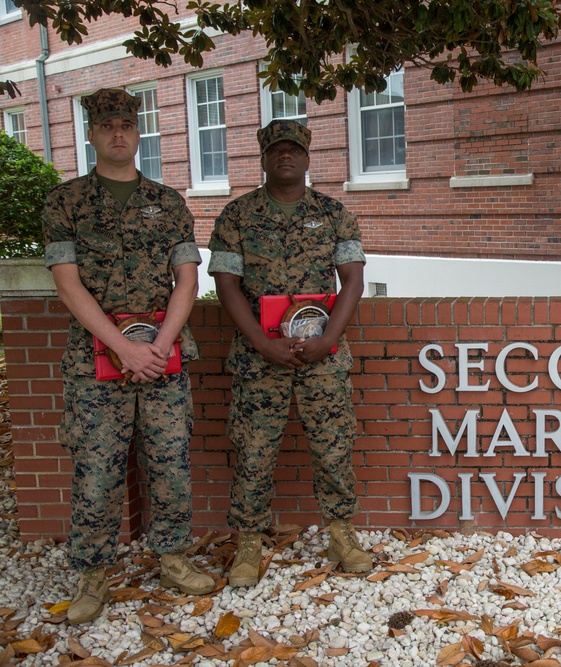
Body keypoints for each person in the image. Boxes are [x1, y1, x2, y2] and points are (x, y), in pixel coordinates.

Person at [41, 88, 214, 625]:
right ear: (92, 134)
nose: (119, 133)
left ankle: (172, 558)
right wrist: (124, 349)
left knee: (170, 463)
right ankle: (93, 573)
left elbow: (188, 278)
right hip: (97, 361)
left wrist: (158, 347)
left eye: (127, 125)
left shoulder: (169, 203)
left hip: (162, 358)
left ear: (138, 133)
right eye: (107, 125)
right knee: (97, 471)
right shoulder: (64, 203)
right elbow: (68, 286)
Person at [208, 119, 371, 586]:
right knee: (253, 451)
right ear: (263, 158)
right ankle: (248, 544)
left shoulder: (334, 212)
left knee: (334, 448)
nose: (286, 157)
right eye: (276, 150)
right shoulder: (237, 216)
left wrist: (327, 341)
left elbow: (353, 280)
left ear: (306, 157)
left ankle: (342, 534)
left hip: (322, 354)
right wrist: (263, 343)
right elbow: (226, 285)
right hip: (261, 358)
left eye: (294, 150)